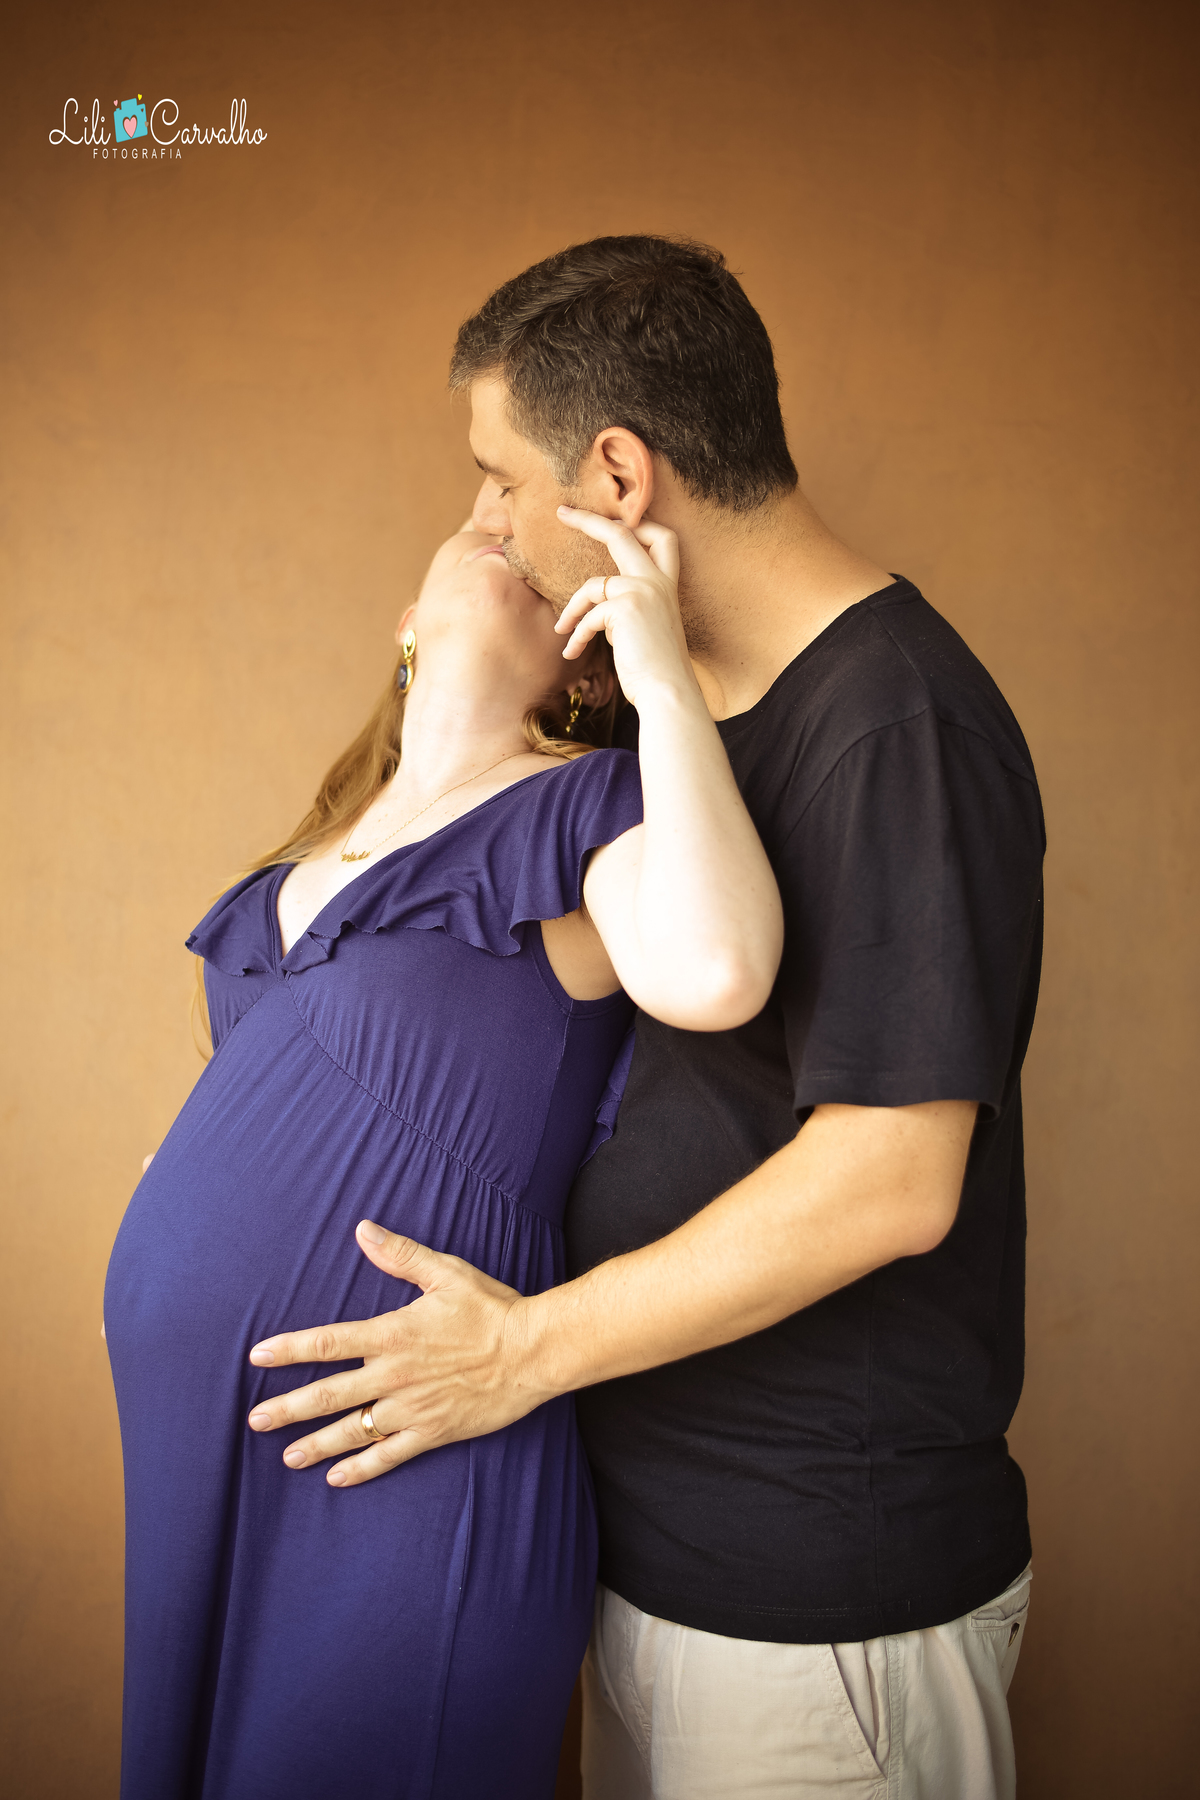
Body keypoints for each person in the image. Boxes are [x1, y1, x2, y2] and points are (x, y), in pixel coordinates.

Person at [214, 236, 1046, 1800]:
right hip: (654, 1556)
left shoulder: (896, 724)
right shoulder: (682, 709)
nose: (483, 525)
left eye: (498, 481)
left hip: (818, 1601)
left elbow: (891, 1176)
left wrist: (525, 1350)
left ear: (615, 472)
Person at [103, 519, 784, 1799]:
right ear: (404, 634)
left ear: (581, 672)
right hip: (212, 1464)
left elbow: (719, 968)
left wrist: (662, 680)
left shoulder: (582, 807)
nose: (497, 531)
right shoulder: (283, 881)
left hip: (414, 1447)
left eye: (539, 555)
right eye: (475, 520)